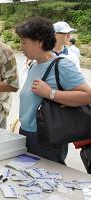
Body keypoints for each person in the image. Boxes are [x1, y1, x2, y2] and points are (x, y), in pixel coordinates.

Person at [15, 17, 91, 164]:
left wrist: (51, 93)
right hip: (26, 133)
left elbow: (88, 95)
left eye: (24, 42)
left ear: (40, 42)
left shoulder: (61, 65)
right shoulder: (34, 65)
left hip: (46, 138)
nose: (21, 47)